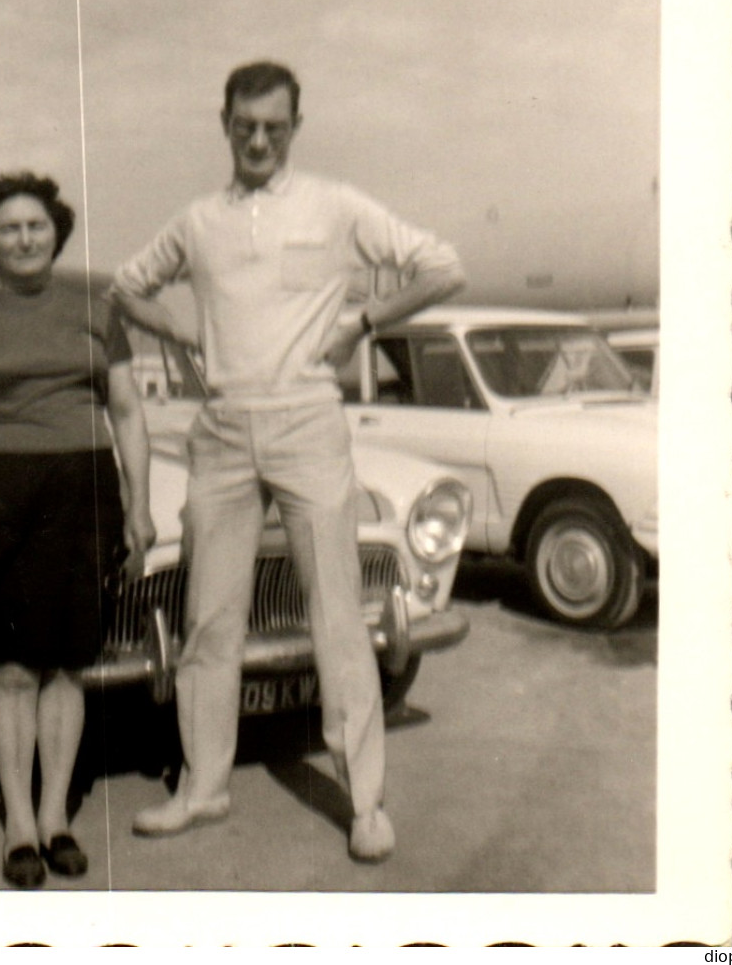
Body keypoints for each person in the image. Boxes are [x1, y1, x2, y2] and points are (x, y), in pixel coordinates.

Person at [111, 61, 465, 863]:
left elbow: (443, 266)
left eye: (274, 125)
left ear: (295, 126)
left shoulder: (336, 206)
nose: (259, 139)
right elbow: (128, 288)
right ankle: (202, 787)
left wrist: (363, 322)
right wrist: (182, 334)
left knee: (338, 616)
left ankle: (365, 803)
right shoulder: (197, 221)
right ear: (225, 124)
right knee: (208, 618)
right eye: (245, 126)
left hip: (308, 423)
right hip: (224, 431)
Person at [0, 171, 155, 889]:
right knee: (14, 667)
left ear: (56, 231)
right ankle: (18, 822)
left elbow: (126, 414)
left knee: (67, 664)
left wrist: (138, 501)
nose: (24, 238)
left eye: (35, 225)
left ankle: (58, 816)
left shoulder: (95, 310)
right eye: (8, 228)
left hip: (83, 490)